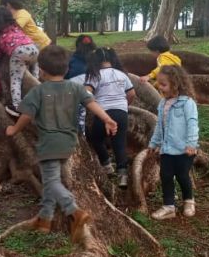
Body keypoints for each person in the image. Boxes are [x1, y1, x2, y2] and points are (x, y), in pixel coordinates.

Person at [5, 45, 118, 242]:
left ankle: (74, 211)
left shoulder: (39, 91)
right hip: (68, 142)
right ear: (66, 70)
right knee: (51, 181)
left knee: (52, 181)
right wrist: (107, 119)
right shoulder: (75, 88)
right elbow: (92, 103)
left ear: (41, 70)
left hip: (49, 143)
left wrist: (14, 130)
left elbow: (26, 115)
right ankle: (45, 219)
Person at [148, 65, 198, 220]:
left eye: (163, 84)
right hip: (167, 149)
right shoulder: (163, 103)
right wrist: (153, 143)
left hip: (184, 149)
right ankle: (169, 206)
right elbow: (159, 125)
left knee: (183, 175)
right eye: (158, 83)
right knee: (166, 175)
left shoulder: (187, 103)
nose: (159, 87)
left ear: (176, 84)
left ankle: (189, 201)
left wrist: (191, 144)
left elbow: (192, 124)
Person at [84, 47, 136, 187]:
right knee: (119, 143)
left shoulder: (94, 75)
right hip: (121, 112)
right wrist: (125, 105)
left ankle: (107, 164)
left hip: (103, 113)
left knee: (96, 138)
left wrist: (92, 104)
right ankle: (123, 176)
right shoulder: (122, 74)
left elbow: (87, 93)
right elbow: (131, 94)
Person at [0, 6, 39, 117]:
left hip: (19, 52)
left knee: (16, 79)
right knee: (35, 77)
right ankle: (36, 97)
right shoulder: (16, 27)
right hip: (34, 49)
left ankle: (16, 106)